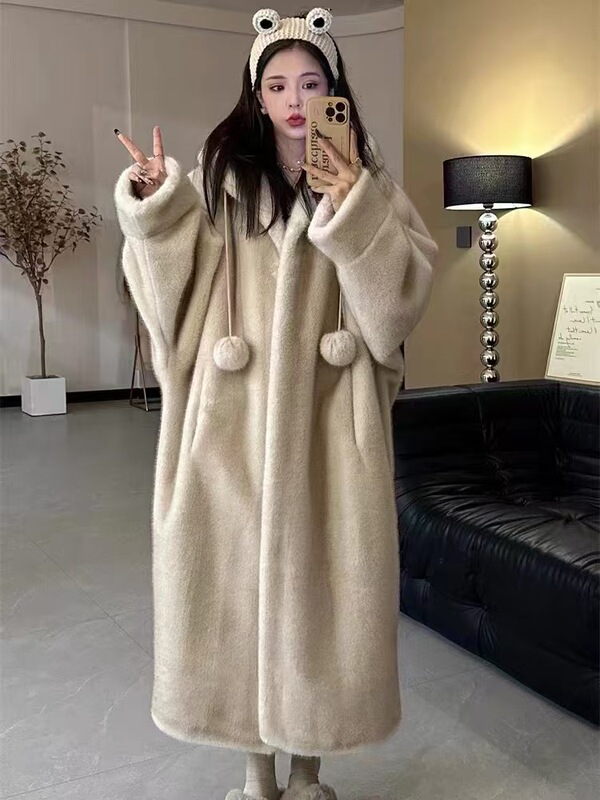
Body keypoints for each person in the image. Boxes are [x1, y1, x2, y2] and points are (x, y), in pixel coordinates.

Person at [114, 7, 438, 800]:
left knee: (321, 601)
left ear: (335, 91)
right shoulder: (220, 183)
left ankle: (309, 774)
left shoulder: (370, 187)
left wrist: (351, 208)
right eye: (279, 84)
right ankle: (255, 776)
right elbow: (171, 297)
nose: (296, 100)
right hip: (232, 424)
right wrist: (154, 208)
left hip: (328, 430)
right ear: (257, 96)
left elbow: (395, 310)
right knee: (234, 595)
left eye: (312, 83)